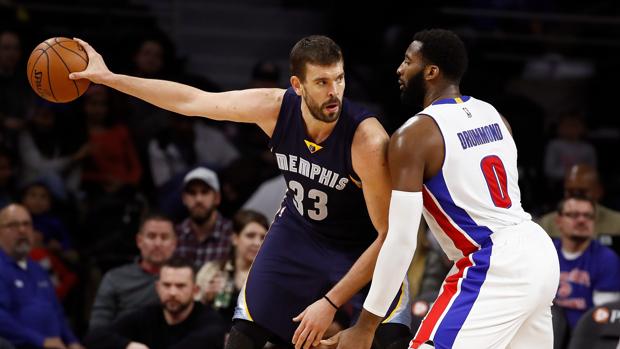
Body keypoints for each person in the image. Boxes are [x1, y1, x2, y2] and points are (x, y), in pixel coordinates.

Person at [70, 35, 411, 349]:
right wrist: (110, 78)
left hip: (361, 246)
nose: (334, 91)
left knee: (391, 339)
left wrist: (331, 302)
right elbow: (191, 101)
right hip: (299, 233)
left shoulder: (367, 140)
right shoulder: (275, 108)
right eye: (322, 82)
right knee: (243, 338)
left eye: (339, 78)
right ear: (297, 85)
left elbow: (387, 235)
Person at [327, 29, 560, 349]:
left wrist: (365, 326)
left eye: (408, 61)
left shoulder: (415, 135)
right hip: (538, 252)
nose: (399, 69)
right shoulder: (495, 115)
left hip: (493, 261)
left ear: (431, 72)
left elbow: (402, 239)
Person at [85, 257, 227, 349]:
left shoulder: (210, 321)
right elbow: (95, 337)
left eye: (180, 286)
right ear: (158, 288)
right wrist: (128, 345)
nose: (172, 292)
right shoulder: (147, 315)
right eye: (166, 285)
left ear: (195, 290)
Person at [0, 204, 83, 349]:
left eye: (27, 224)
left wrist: (72, 342)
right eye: (13, 225)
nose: (22, 230)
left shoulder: (38, 268)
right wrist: (40, 341)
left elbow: (56, 311)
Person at [89, 214, 177, 330]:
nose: (157, 244)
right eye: (151, 236)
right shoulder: (115, 278)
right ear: (139, 241)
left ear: (174, 243)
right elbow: (97, 329)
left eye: (164, 237)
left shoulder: (189, 279)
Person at [553, 195, 620, 329]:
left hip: (587, 336)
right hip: (546, 331)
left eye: (588, 216)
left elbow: (604, 316)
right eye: (574, 215)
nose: (582, 220)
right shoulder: (545, 253)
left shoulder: (607, 259)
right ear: (559, 221)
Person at [195, 209, 269, 329]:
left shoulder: (270, 277)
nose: (257, 242)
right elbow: (190, 311)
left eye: (263, 238)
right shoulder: (212, 271)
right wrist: (205, 297)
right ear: (235, 238)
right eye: (250, 236)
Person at [173, 167, 233, 270]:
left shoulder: (232, 234)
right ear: (184, 198)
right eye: (192, 193)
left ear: (217, 198)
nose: (198, 199)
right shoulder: (174, 234)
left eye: (204, 192)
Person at [538, 164, 620, 237]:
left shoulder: (617, 223)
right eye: (570, 191)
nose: (575, 196)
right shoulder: (548, 223)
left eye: (582, 191)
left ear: (599, 191)